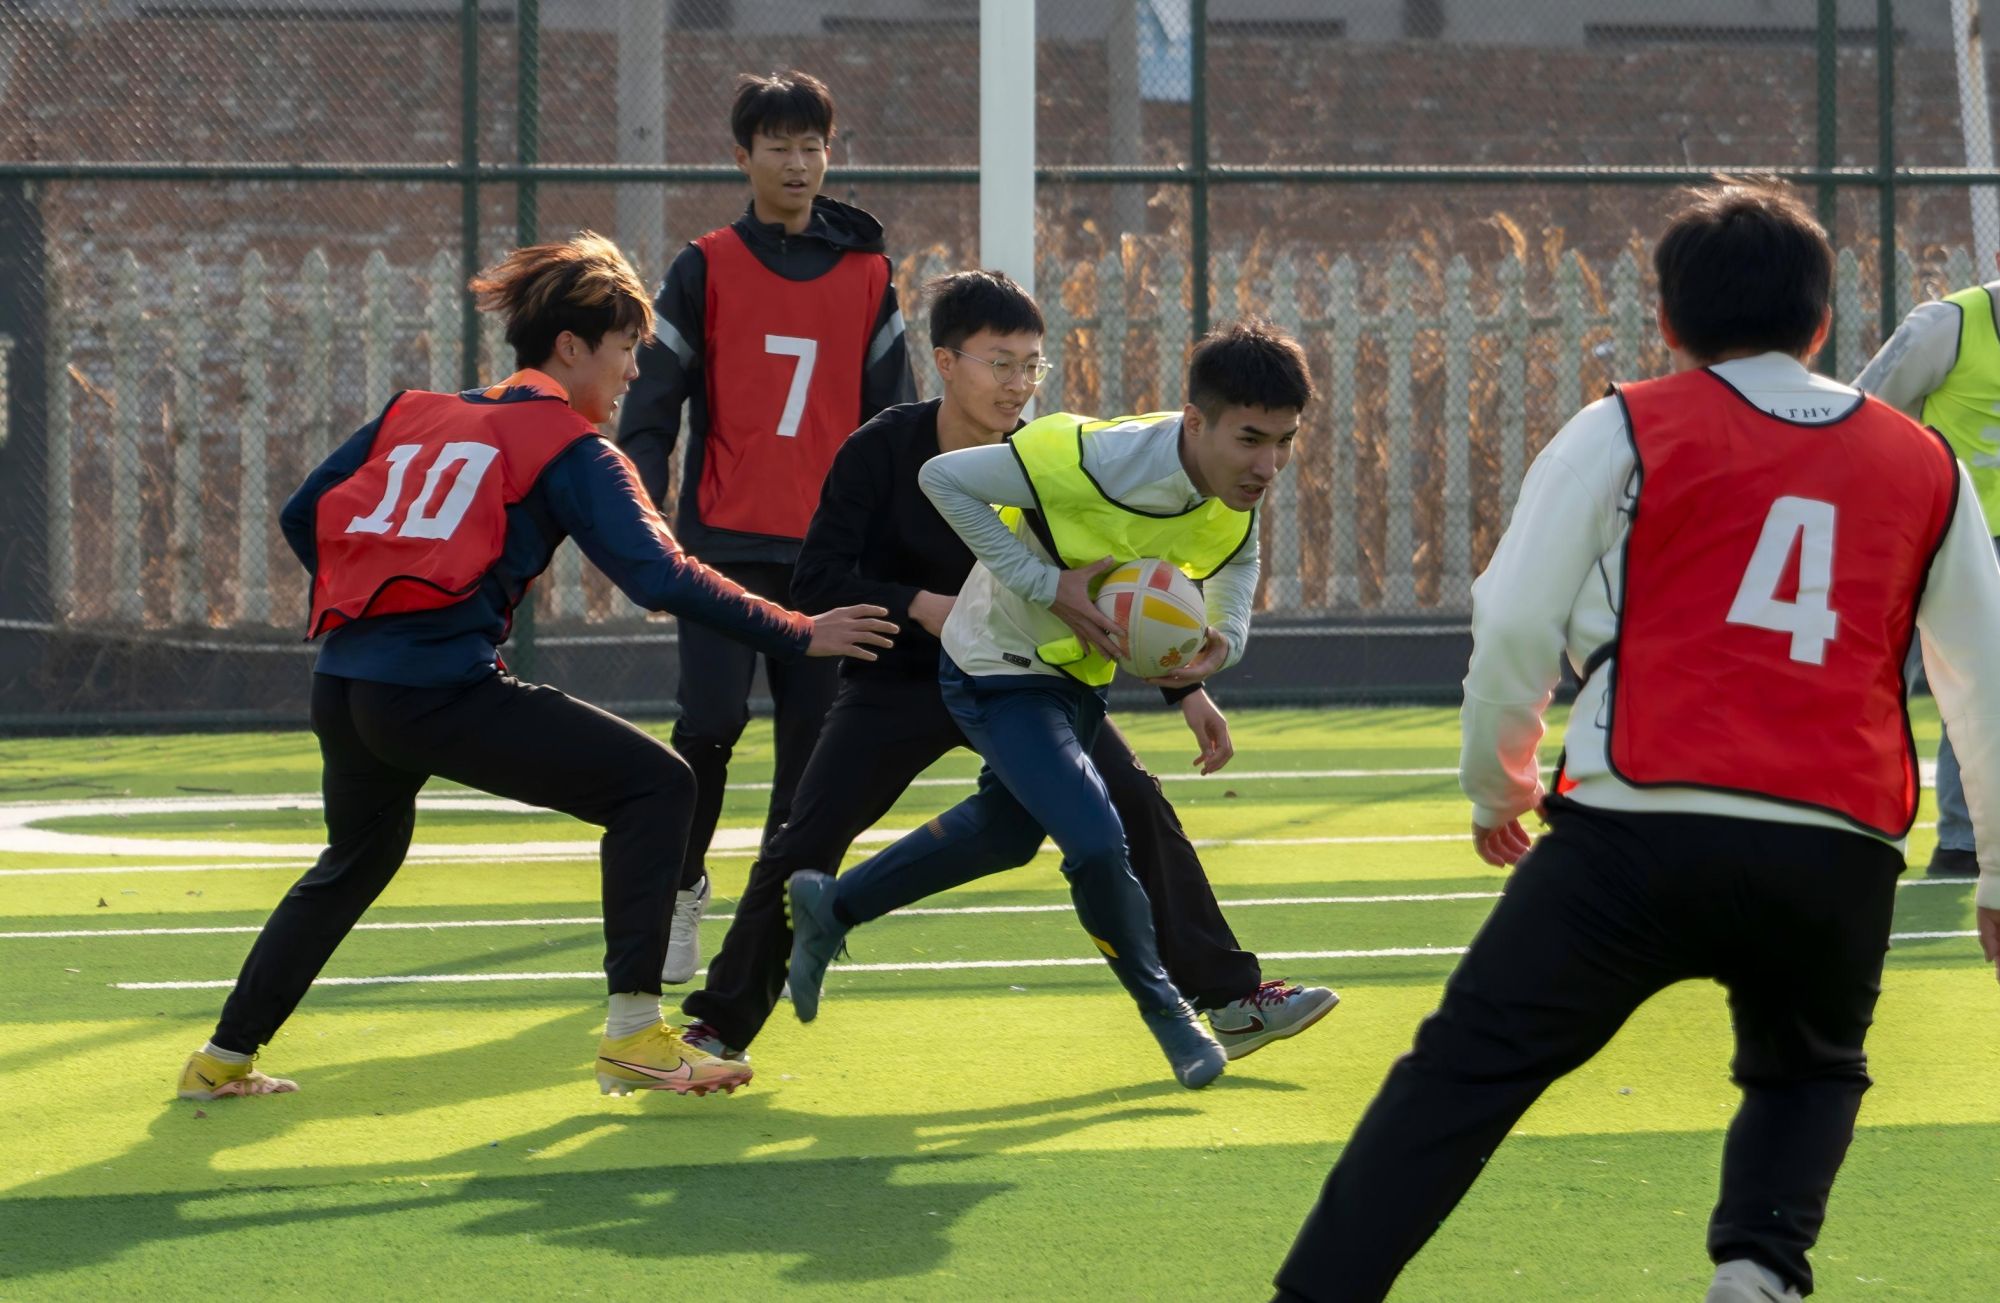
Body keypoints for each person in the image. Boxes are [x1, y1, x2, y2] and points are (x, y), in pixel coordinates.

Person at [1273, 182, 2000, 1303]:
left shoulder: (1627, 422)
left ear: (1668, 321)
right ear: (1822, 322)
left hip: (1635, 828)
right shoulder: (1925, 463)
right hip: (1834, 841)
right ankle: (1758, 1265)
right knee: (1808, 1069)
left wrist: (1497, 782)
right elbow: (1989, 678)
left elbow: (1514, 616)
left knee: (1461, 1076)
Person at [174, 233, 895, 1104]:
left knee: (355, 860)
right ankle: (636, 1035)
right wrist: (799, 631)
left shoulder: (415, 411)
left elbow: (306, 514)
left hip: (345, 683)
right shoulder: (571, 447)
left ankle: (221, 1056)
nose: (634, 371)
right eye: (626, 348)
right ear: (570, 347)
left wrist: (383, 601)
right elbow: (660, 576)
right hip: (436, 690)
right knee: (659, 785)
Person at [677, 270, 1337, 1065]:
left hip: (1026, 679)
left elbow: (1124, 577)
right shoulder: (883, 449)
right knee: (806, 836)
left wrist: (1188, 682)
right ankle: (719, 1025)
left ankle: (1230, 998)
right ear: (946, 363)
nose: (1019, 383)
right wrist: (919, 604)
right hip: (901, 678)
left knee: (1135, 807)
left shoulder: (1059, 460)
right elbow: (817, 579)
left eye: (1031, 365)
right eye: (1000, 363)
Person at [615, 69, 916, 987]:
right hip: (721, 546)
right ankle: (681, 886)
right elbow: (650, 408)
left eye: (812, 146)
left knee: (812, 750)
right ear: (741, 157)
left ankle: (770, 915)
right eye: (778, 146)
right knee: (708, 724)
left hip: (830, 562)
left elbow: (896, 424)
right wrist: (639, 517)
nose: (797, 163)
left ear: (830, 155)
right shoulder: (704, 266)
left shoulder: (870, 276)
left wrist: (895, 549)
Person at [1853, 203, 2000, 879]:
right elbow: (1864, 407)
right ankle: (1852, 828)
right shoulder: (1948, 324)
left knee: (1990, 692)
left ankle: (1963, 844)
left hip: (1993, 540)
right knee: (1871, 681)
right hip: (1902, 532)